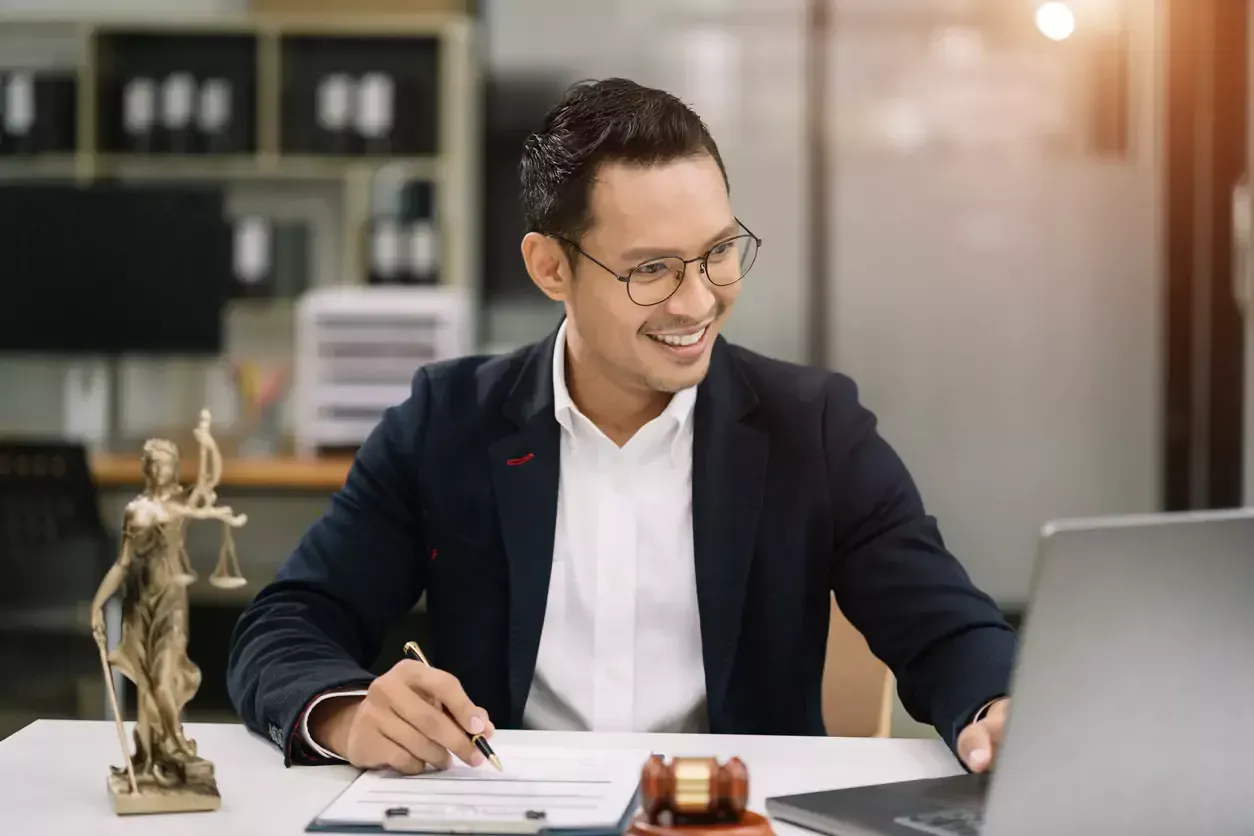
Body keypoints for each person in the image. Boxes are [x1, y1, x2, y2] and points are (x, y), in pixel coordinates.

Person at [227, 78, 1017, 776]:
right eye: (652, 269)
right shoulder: (448, 423)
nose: (697, 301)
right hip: (512, 809)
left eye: (717, 253)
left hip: (731, 818)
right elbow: (287, 624)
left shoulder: (813, 427)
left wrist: (998, 708)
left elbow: (946, 629)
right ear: (550, 268)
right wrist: (348, 714)